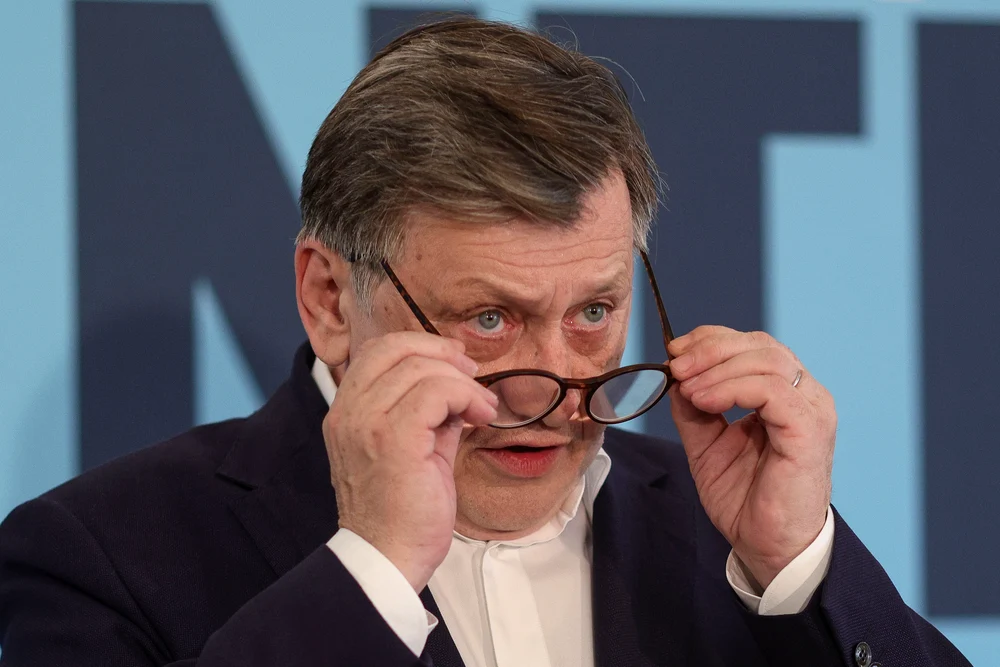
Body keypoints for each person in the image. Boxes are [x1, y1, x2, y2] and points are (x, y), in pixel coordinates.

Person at [0, 17, 970, 667]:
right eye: (490, 319)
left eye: (592, 312)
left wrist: (800, 565)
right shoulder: (98, 554)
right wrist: (371, 572)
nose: (550, 389)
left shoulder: (732, 538)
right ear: (329, 298)